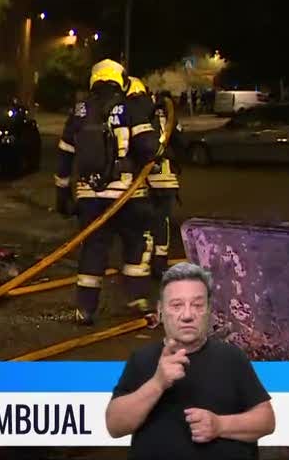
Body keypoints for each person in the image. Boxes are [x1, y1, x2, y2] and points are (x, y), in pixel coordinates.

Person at [105, 262, 276, 459]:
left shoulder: (232, 358)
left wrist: (219, 425)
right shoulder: (142, 359)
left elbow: (266, 420)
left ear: (209, 310)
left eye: (197, 305)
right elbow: (114, 426)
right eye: (177, 305)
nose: (187, 315)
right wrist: (157, 383)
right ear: (160, 310)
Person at [55, 59, 160, 326]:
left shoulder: (79, 111)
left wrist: (63, 194)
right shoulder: (130, 108)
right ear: (120, 80)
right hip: (126, 196)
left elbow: (65, 155)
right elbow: (148, 147)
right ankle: (138, 299)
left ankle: (85, 309)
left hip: (89, 198)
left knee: (93, 249)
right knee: (137, 241)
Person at [146, 89, 184, 278]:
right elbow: (180, 143)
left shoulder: (138, 115)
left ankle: (144, 263)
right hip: (166, 180)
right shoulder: (169, 119)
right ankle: (159, 264)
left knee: (146, 223)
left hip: (144, 182)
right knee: (162, 222)